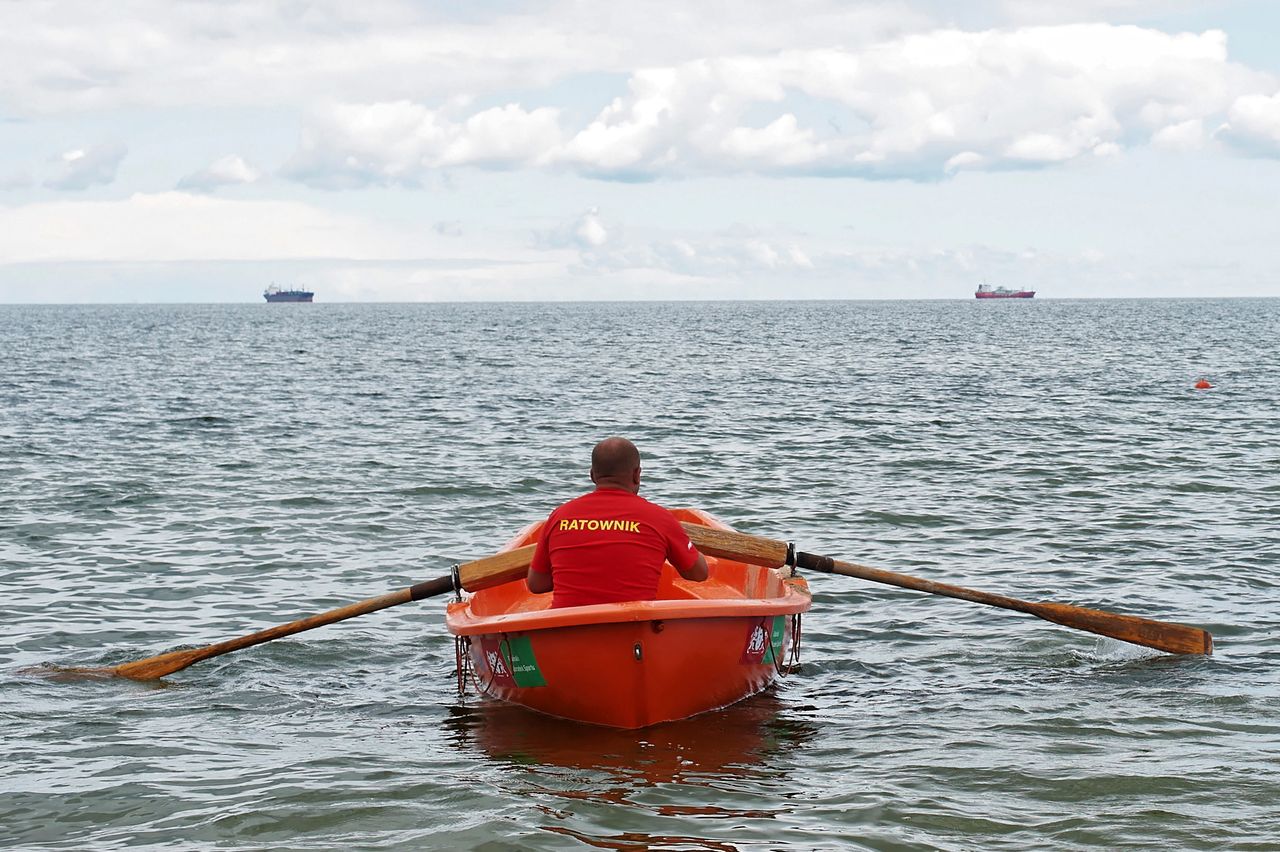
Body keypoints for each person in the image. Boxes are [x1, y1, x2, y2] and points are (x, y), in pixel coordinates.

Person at [527, 437, 708, 608]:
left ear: (592, 476)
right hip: (635, 633)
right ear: (637, 475)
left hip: (565, 633)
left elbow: (536, 584)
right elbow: (698, 573)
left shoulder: (560, 516)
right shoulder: (660, 518)